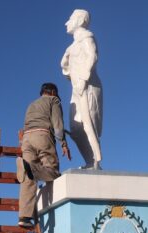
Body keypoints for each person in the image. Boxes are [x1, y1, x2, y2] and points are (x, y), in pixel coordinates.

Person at [17, 82, 71, 229]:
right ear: (53, 92)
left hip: (26, 139)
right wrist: (64, 144)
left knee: (27, 179)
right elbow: (58, 126)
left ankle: (24, 217)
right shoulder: (53, 101)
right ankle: (33, 168)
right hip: (42, 135)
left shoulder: (31, 105)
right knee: (52, 171)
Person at [61, 9, 103, 170]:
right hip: (77, 88)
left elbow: (92, 56)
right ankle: (89, 161)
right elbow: (66, 68)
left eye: (70, 19)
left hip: (88, 86)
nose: (67, 23)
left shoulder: (87, 37)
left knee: (89, 124)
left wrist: (83, 79)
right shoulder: (73, 45)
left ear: (78, 20)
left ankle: (96, 162)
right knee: (76, 128)